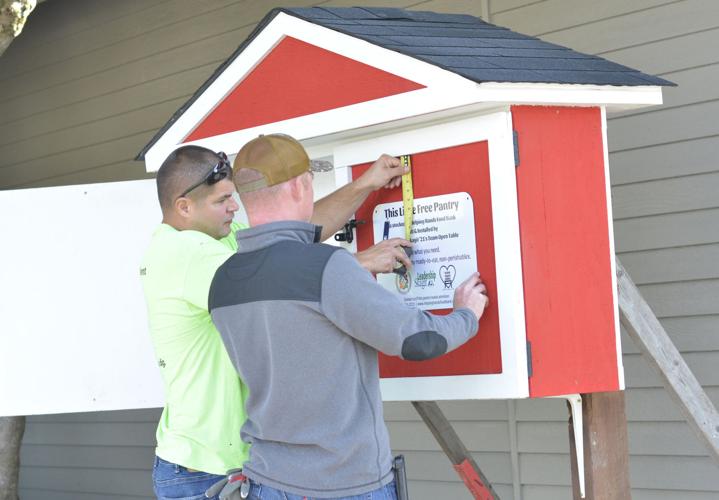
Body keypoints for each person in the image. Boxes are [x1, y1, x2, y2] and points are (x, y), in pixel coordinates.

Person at [208, 134, 490, 499]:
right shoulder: (325, 268)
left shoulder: (225, 280)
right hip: (343, 485)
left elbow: (287, 253)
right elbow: (418, 339)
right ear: (301, 186)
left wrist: (364, 185)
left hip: (266, 482)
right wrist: (467, 314)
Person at [140, 144, 412, 500]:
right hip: (202, 472)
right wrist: (353, 265)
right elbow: (267, 284)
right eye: (222, 201)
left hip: (227, 463)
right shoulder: (184, 252)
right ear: (184, 207)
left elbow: (297, 232)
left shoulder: (215, 236)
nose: (234, 206)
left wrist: (364, 184)